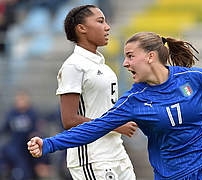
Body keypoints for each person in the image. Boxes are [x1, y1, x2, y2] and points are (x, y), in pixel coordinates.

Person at [27, 32, 202, 180]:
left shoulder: (193, 79)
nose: (125, 63)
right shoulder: (133, 101)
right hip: (173, 174)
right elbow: (94, 129)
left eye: (130, 56)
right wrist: (49, 144)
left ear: (150, 56)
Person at [54, 5, 137, 180]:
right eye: (100, 21)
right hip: (92, 157)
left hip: (117, 153)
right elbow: (69, 120)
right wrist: (115, 125)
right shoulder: (73, 66)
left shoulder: (104, 68)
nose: (107, 27)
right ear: (81, 28)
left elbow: (106, 109)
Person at [0, 90, 51, 180]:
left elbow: (38, 134)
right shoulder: (12, 114)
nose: (21, 102)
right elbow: (5, 128)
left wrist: (42, 162)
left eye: (23, 100)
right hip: (16, 149)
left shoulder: (33, 114)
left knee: (29, 173)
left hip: (29, 148)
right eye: (19, 100)